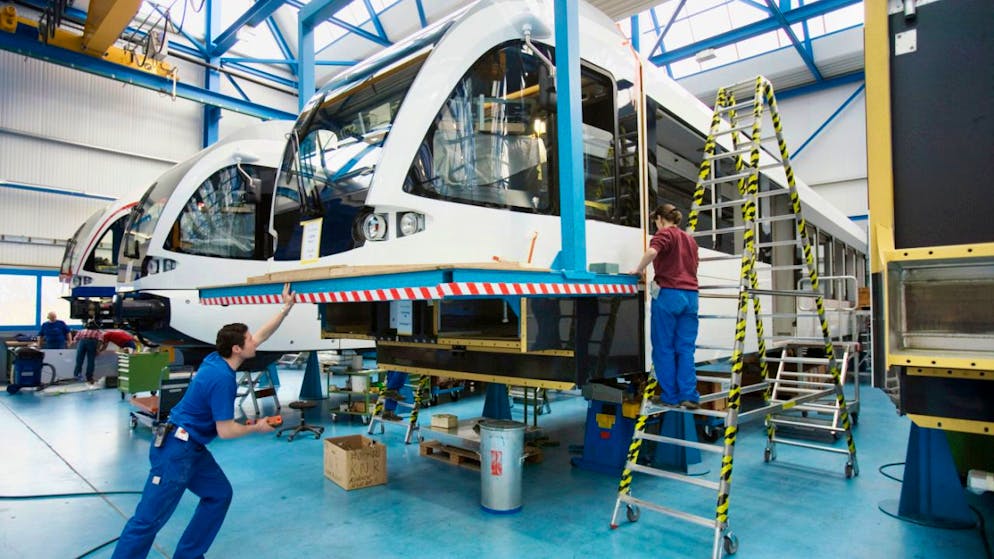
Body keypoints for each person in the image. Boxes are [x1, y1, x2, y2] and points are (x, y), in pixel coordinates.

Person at [112, 284, 296, 559]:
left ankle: (189, 555)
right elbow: (226, 430)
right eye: (247, 340)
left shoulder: (216, 359)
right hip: (176, 451)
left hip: (192, 447)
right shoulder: (222, 379)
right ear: (237, 348)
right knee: (148, 520)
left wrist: (285, 309)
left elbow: (260, 336)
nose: (253, 342)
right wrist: (258, 426)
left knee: (219, 494)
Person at [630, 204, 700, 409]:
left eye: (655, 221)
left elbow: (652, 252)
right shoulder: (690, 240)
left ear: (660, 218)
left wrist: (638, 269)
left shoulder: (665, 234)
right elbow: (694, 265)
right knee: (686, 348)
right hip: (691, 296)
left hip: (669, 294)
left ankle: (670, 395)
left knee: (664, 348)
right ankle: (689, 396)